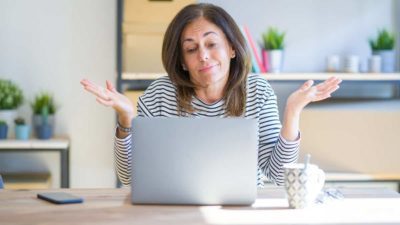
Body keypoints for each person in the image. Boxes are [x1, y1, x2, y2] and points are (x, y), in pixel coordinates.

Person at [80, 3, 341, 187]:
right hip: (172, 211)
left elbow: (277, 174)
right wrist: (126, 119)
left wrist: (292, 113)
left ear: (231, 48)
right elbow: (129, 177)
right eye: (191, 49)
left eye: (212, 44)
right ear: (182, 61)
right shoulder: (159, 94)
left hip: (242, 211)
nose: (203, 55)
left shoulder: (258, 92)